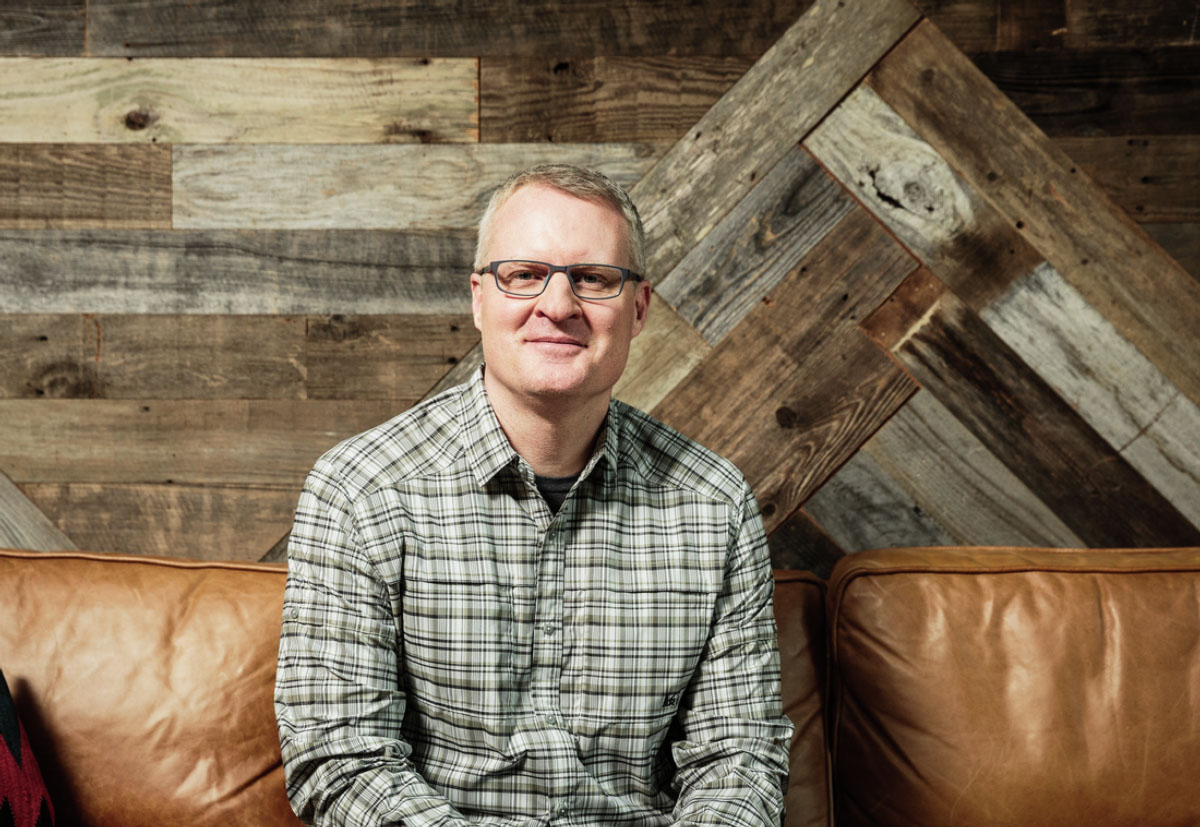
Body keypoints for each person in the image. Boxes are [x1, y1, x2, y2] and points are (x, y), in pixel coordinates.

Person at [275, 164, 794, 826]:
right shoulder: (359, 490)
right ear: (478, 298)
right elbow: (341, 758)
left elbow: (739, 759)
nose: (558, 305)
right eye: (523, 274)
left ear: (638, 309)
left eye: (593, 278)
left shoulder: (713, 504)